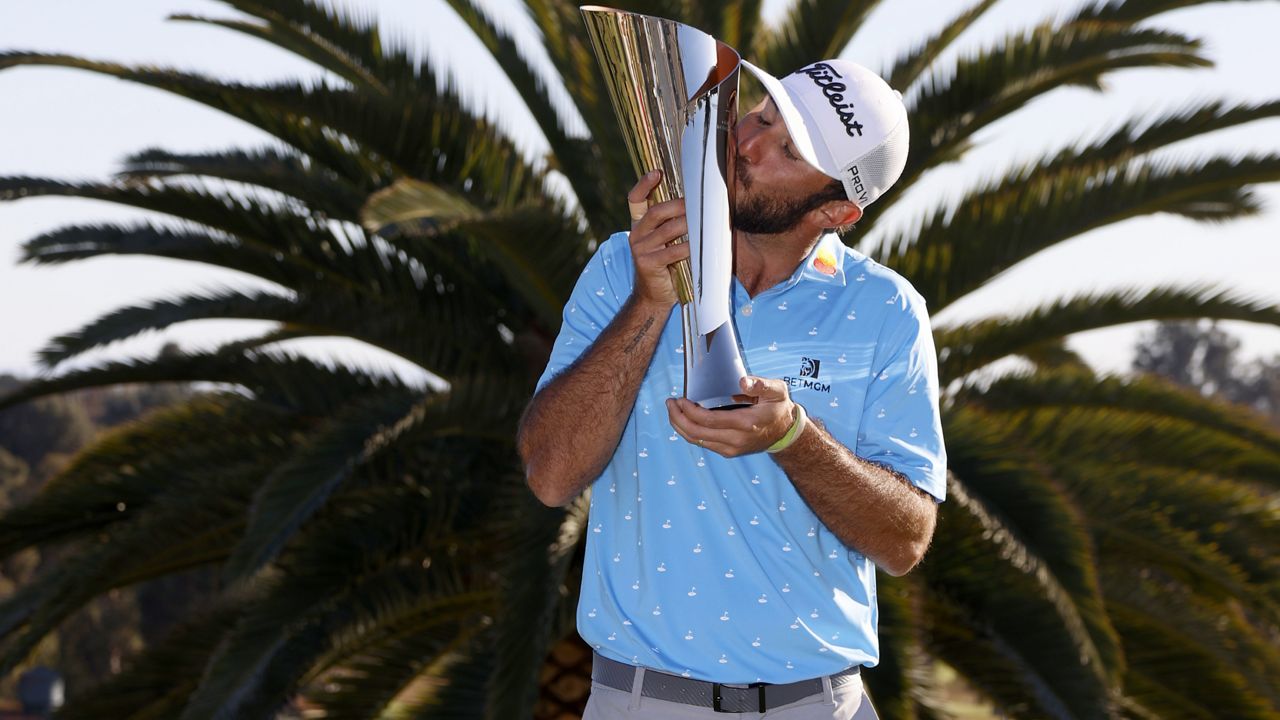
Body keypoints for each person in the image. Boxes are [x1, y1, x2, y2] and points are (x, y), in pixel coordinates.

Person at [518, 58, 946, 719]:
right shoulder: (620, 265)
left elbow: (905, 541)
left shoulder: (887, 310)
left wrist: (794, 439)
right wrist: (652, 298)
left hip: (819, 707)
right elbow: (550, 474)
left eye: (789, 149)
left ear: (837, 209)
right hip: (641, 703)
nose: (747, 145)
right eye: (761, 116)